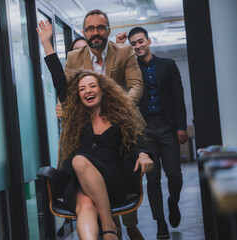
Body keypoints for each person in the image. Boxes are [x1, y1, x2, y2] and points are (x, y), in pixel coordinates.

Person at [36, 20, 154, 240]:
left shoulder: (120, 117)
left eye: (92, 86)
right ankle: (108, 230)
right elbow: (60, 81)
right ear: (77, 96)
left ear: (103, 90)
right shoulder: (75, 115)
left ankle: (108, 227)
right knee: (85, 205)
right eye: (81, 89)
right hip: (78, 185)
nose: (87, 91)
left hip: (112, 181)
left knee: (79, 161)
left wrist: (144, 153)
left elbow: (136, 143)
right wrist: (46, 44)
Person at [117, 27, 188, 239]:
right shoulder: (131, 68)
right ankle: (160, 223)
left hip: (167, 126)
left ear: (149, 40)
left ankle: (173, 202)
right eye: (133, 44)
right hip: (144, 129)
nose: (137, 46)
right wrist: (120, 47)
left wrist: (181, 126)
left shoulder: (168, 65)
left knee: (175, 174)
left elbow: (178, 98)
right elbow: (118, 80)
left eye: (140, 42)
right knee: (153, 179)